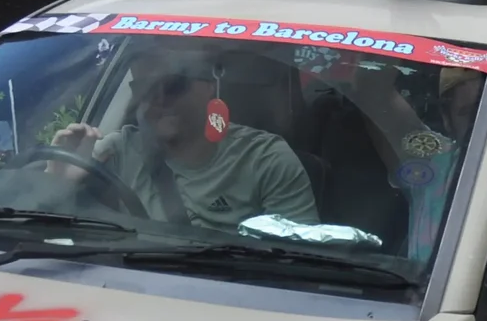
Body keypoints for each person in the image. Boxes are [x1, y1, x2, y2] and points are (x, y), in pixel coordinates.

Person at [53, 46, 317, 231]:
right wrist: (57, 180)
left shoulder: (266, 159)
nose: (158, 100)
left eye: (172, 86)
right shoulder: (119, 149)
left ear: (208, 86)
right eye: (145, 89)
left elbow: (303, 261)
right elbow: (47, 227)